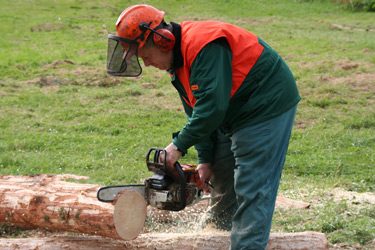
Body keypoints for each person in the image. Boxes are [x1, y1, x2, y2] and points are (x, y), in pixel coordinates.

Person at [106, 4, 301, 250]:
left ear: (163, 40)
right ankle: (215, 238)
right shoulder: (177, 65)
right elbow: (197, 110)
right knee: (221, 174)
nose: (147, 63)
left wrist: (176, 147)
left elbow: (211, 109)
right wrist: (205, 159)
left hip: (264, 103)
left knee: (252, 187)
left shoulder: (204, 46)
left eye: (145, 56)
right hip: (230, 106)